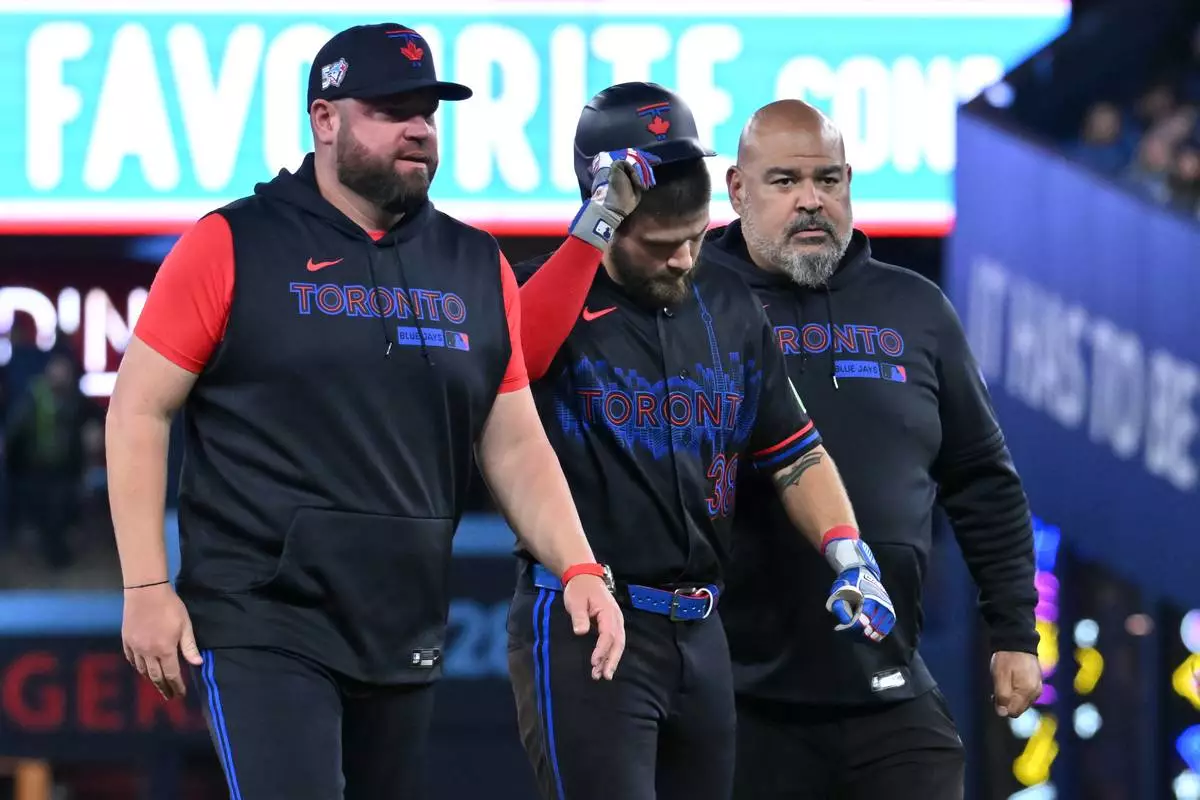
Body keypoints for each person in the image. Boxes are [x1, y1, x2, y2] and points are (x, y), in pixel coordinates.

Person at [106, 23, 625, 800]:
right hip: (261, 616)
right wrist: (146, 587)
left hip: (402, 617)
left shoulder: (474, 263)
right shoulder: (231, 243)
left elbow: (513, 439)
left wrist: (577, 564)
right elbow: (137, 411)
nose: (419, 128)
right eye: (391, 110)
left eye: (428, 112)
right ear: (325, 120)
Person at [505, 82, 897, 800]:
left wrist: (849, 551)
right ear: (605, 217)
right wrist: (592, 229)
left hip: (703, 634)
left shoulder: (728, 302)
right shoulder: (548, 296)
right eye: (661, 245)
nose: (686, 259)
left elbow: (795, 451)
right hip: (590, 623)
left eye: (694, 237)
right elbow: (517, 361)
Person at [700, 99, 1043, 799]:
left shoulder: (915, 309)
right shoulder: (691, 301)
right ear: (736, 189)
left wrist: (1015, 632)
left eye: (827, 180)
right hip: (733, 696)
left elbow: (982, 481)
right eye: (785, 181)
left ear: (850, 183)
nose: (810, 200)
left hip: (888, 682)